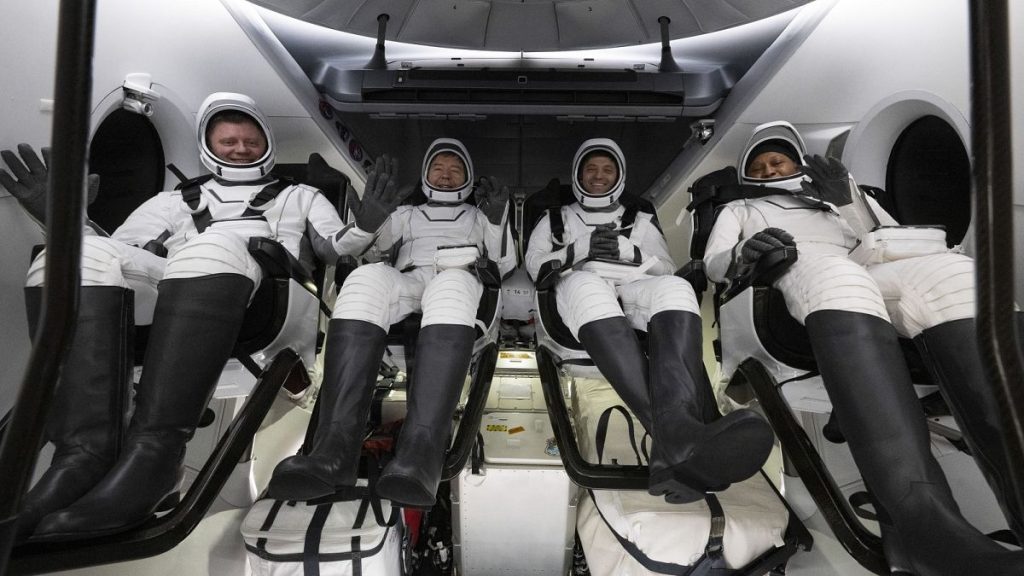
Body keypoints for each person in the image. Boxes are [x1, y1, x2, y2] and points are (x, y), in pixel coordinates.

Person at [0, 92, 379, 540]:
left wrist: (369, 220)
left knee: (209, 245)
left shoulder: (299, 196)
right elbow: (120, 256)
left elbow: (333, 247)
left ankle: (157, 456)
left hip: (275, 301)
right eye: (228, 141)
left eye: (250, 140)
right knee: (70, 255)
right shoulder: (172, 202)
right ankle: (83, 456)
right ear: (207, 144)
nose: (240, 149)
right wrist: (68, 222)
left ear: (266, 142)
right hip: (183, 290)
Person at [703, 120, 1024, 575]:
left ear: (796, 161)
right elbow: (716, 265)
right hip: (801, 267)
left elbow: (893, 239)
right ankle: (923, 533)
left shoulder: (844, 194)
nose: (771, 169)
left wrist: (846, 200)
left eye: (779, 160)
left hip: (875, 263)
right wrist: (745, 252)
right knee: (842, 279)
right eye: (760, 165)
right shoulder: (739, 209)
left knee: (958, 277)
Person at [267, 138, 516, 508]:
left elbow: (504, 264)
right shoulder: (407, 214)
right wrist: (371, 217)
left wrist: (497, 218)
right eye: (438, 169)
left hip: (458, 279)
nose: (446, 177)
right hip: (409, 279)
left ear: (468, 177)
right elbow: (372, 250)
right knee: (363, 280)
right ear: (426, 174)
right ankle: (333, 450)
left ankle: (420, 456)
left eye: (455, 170)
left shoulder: (479, 216)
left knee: (451, 284)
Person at [525, 138, 774, 504]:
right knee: (587, 285)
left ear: (619, 175)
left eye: (607, 169)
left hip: (634, 280)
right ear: (578, 174)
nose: (598, 176)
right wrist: (580, 250)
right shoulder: (554, 219)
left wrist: (631, 250)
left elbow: (665, 267)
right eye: (590, 169)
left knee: (674, 288)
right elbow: (534, 266)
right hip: (578, 281)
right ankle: (683, 436)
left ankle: (672, 446)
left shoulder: (638, 219)